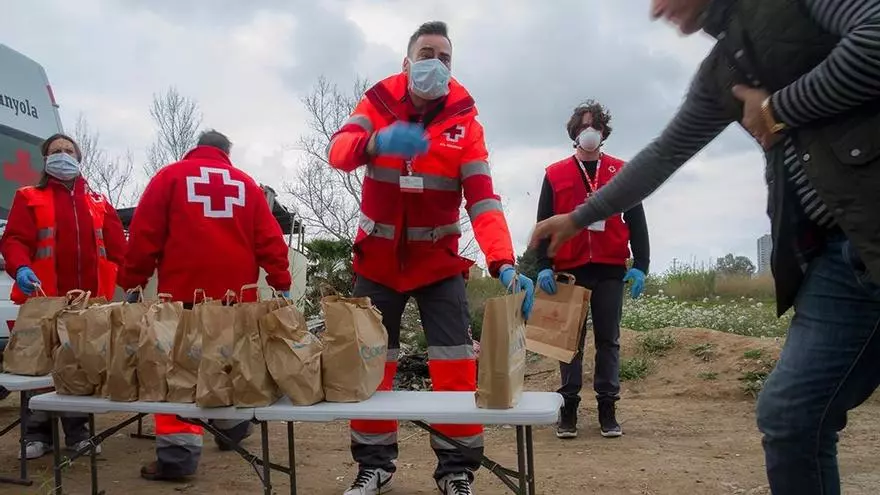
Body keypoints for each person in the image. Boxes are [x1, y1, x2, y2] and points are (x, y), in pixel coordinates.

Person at [530, 1, 880, 494]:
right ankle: (572, 408)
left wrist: (778, 109)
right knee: (791, 416)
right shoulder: (723, 71)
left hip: (868, 227)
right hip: (833, 256)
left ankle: (607, 409)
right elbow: (664, 154)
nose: (657, 9)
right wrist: (576, 219)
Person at [327, 20, 535, 495]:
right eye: (426, 55)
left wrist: (503, 262)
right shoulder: (376, 104)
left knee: (456, 366)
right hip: (377, 263)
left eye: (445, 58)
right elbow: (338, 152)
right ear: (407, 62)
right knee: (370, 367)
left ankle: (456, 471)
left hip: (439, 264)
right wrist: (375, 142)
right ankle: (374, 466)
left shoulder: (466, 123)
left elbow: (483, 200)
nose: (435, 64)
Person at [119, 130, 292, 481]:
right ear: (226, 152)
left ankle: (178, 458)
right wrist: (281, 282)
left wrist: (133, 280)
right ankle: (232, 427)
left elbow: (144, 234)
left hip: (183, 298)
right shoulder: (246, 185)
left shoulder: (170, 177)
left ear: (196, 148)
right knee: (229, 365)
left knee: (178, 374)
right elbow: (270, 239)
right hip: (236, 301)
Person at [0, 133, 127, 459]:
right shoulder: (29, 197)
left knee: (79, 366)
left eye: (69, 150)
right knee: (39, 367)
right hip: (43, 298)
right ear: (45, 159)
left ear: (78, 158)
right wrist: (21, 267)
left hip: (87, 303)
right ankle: (36, 434)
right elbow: (14, 240)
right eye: (55, 151)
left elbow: (120, 249)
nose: (62, 155)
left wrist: (134, 282)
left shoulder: (98, 202)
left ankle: (78, 433)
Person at [535, 101, 650, 440]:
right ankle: (568, 407)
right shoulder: (555, 173)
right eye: (584, 125)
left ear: (603, 132)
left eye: (596, 126)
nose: (590, 131)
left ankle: (607, 407)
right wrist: (543, 265)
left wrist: (641, 264)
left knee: (608, 339)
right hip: (569, 269)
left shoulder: (621, 171)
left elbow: (637, 220)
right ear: (574, 132)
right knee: (569, 341)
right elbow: (543, 221)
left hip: (609, 268)